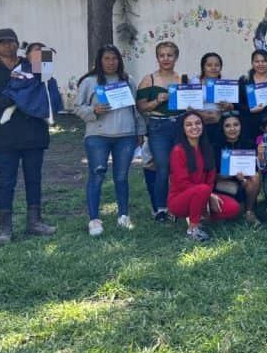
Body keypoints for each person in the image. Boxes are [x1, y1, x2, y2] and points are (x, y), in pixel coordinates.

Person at [0, 28, 56, 244]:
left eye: (11, 42)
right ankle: (5, 228)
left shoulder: (31, 62)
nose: (7, 46)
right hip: (4, 137)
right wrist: (8, 101)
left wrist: (43, 53)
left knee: (34, 178)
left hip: (34, 134)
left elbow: (48, 80)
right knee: (6, 181)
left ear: (18, 44)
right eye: (2, 43)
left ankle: (35, 222)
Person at [74, 44, 145, 236]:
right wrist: (93, 111)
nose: (111, 62)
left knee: (121, 177)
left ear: (119, 61)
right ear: (100, 60)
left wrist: (140, 131)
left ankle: (123, 215)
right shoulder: (89, 82)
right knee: (96, 176)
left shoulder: (128, 80)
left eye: (114, 58)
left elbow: (136, 108)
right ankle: (94, 220)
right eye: (107, 58)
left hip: (126, 136)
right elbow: (78, 107)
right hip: (97, 136)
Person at [167, 111, 242, 242]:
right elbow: (181, 182)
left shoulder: (207, 148)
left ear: (203, 126)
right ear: (183, 129)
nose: (194, 127)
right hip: (180, 200)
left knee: (233, 208)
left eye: (197, 123)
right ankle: (192, 230)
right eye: (189, 125)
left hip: (204, 195)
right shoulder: (178, 151)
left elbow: (211, 178)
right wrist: (208, 194)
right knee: (202, 189)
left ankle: (199, 216)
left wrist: (207, 196)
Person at [136, 41, 185, 222]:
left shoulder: (182, 79)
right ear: (157, 57)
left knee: (180, 168)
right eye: (162, 55)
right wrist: (156, 101)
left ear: (176, 57)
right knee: (162, 168)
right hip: (158, 126)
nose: (166, 59)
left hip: (180, 125)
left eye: (169, 55)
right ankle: (160, 209)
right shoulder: (149, 79)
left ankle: (178, 206)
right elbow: (141, 108)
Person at [214, 112, 262, 227]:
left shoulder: (250, 145)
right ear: (222, 128)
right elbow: (212, 176)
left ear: (241, 126)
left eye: (236, 125)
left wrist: (243, 179)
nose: (232, 129)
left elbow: (253, 170)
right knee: (232, 213)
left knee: (255, 177)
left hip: (244, 182)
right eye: (227, 126)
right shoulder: (215, 147)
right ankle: (233, 209)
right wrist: (229, 175)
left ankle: (249, 212)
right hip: (223, 182)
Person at [195, 52, 234, 147]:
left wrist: (227, 107)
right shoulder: (194, 82)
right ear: (203, 67)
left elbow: (231, 107)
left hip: (219, 125)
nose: (213, 68)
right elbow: (186, 106)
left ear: (220, 68)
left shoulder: (225, 84)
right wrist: (201, 114)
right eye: (209, 65)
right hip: (198, 125)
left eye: (217, 65)